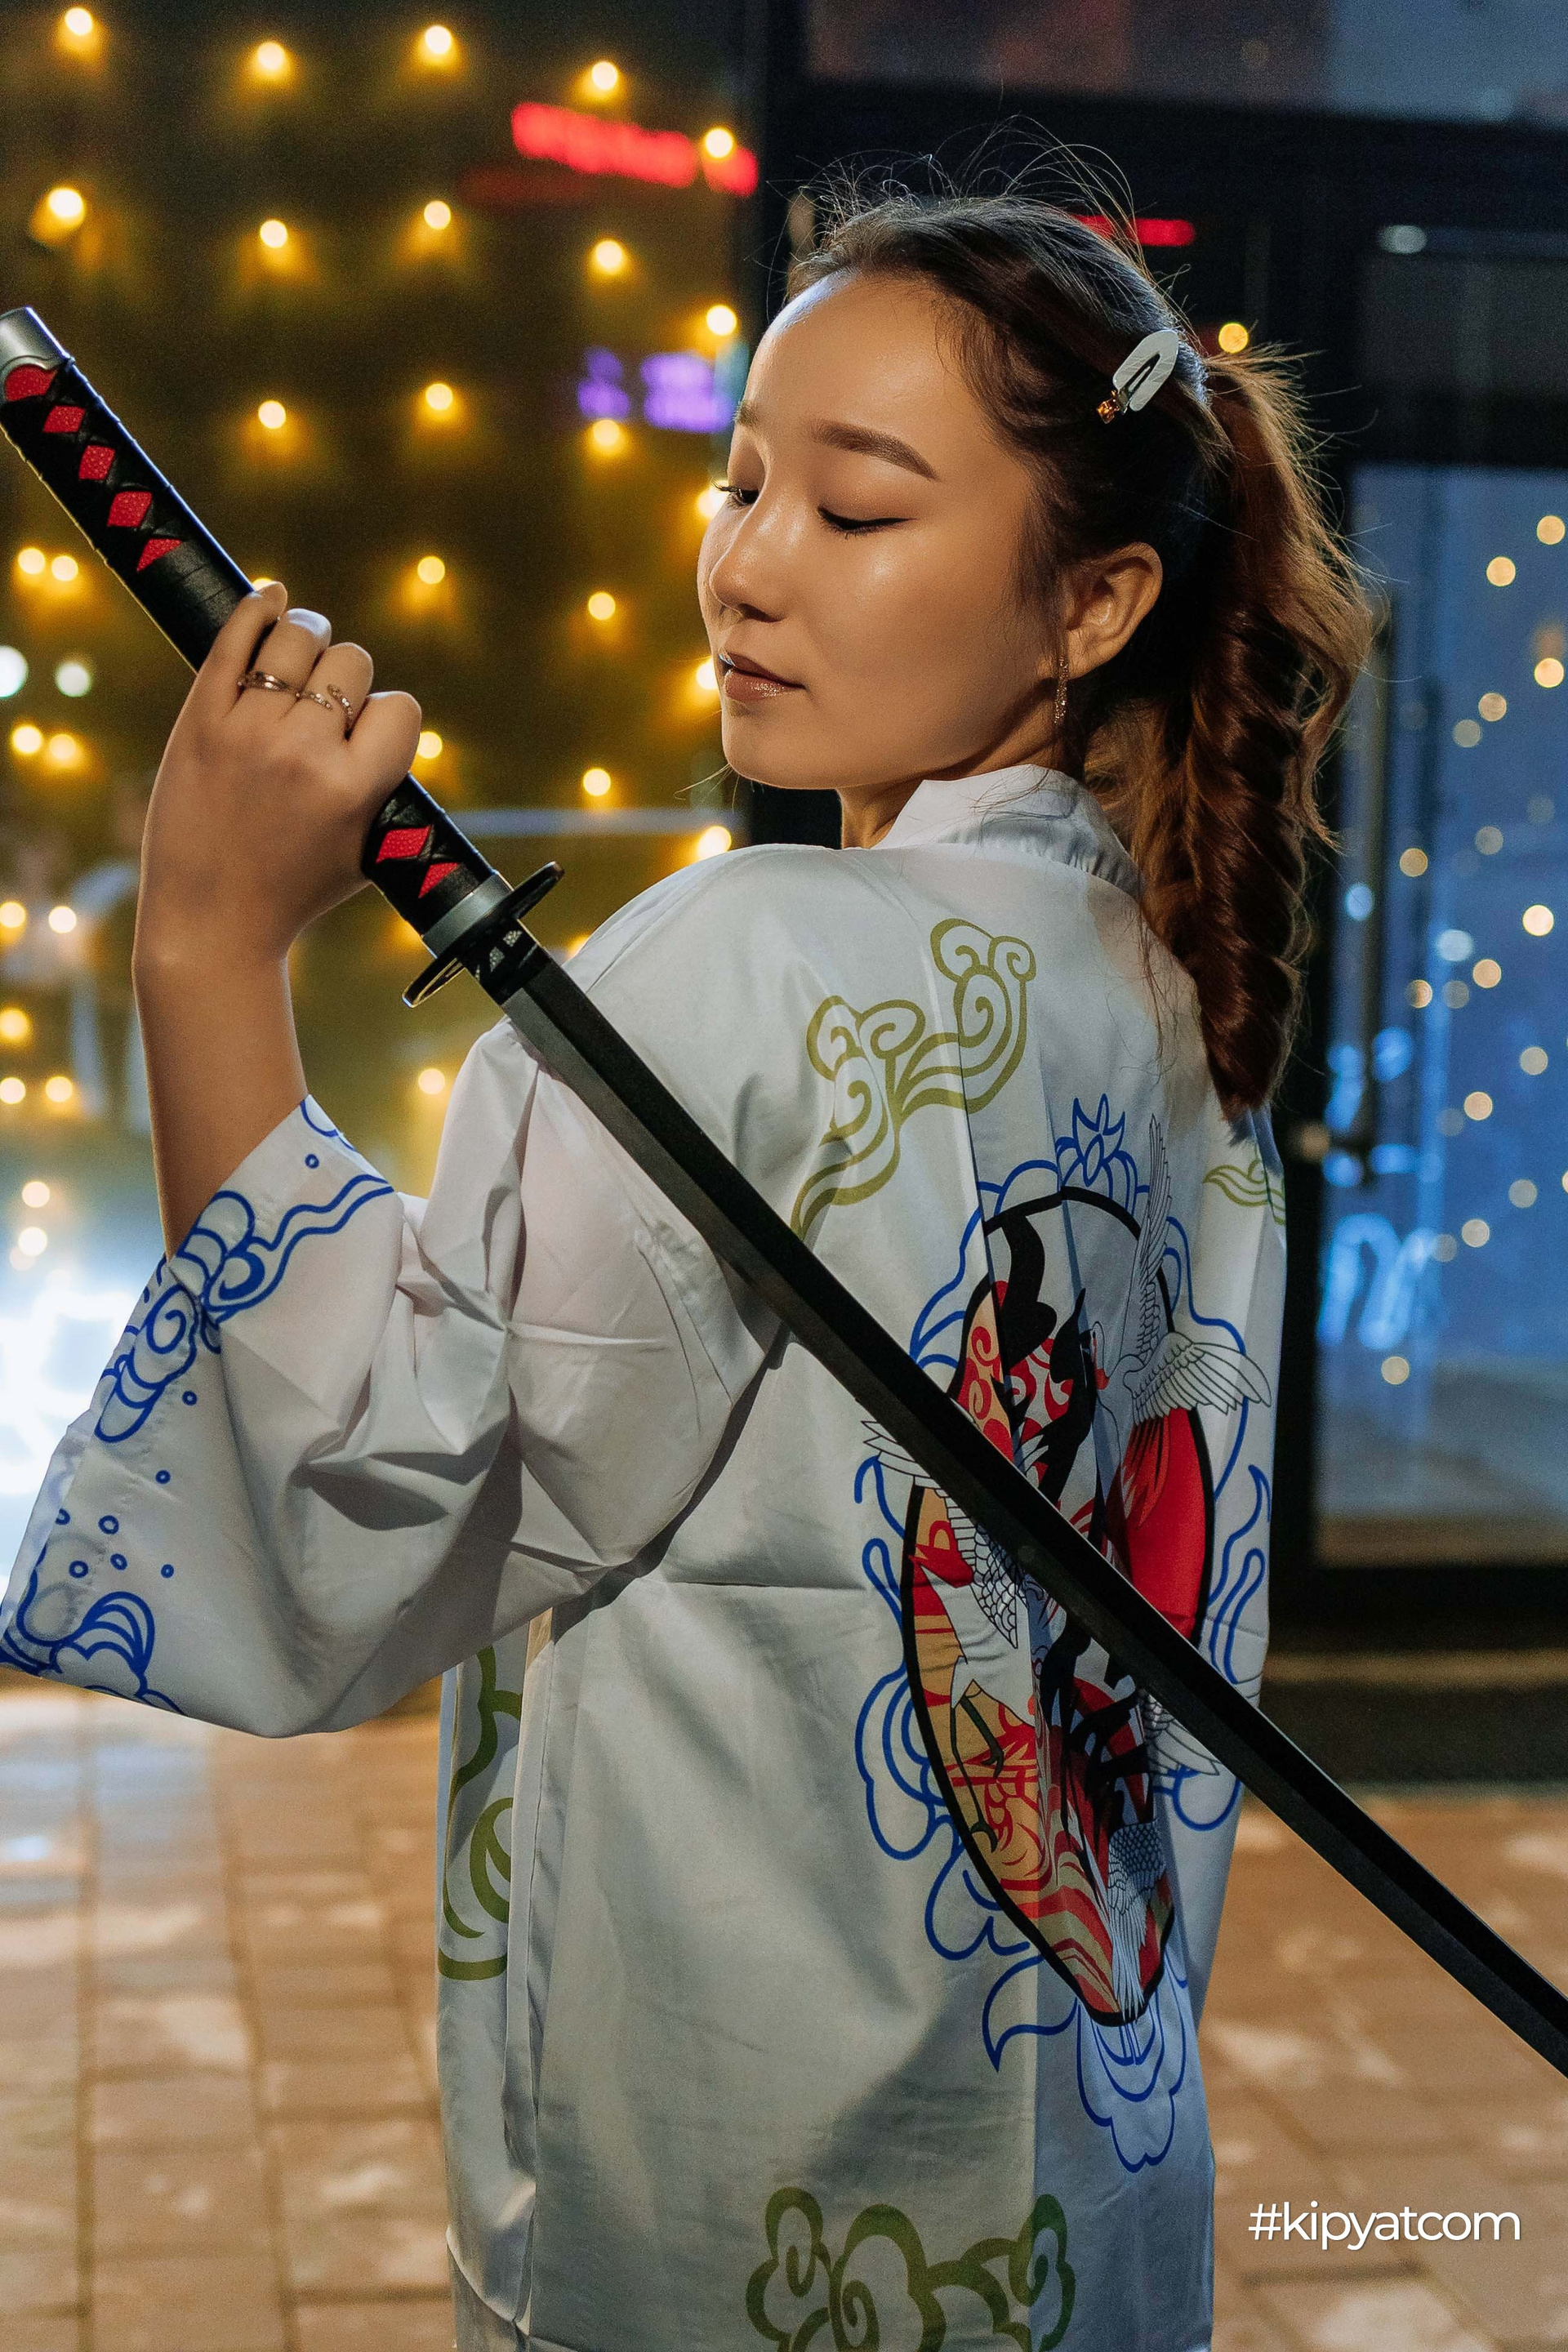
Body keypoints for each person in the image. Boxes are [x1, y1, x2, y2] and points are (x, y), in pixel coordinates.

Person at [0, 188, 1371, 2351]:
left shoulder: (751, 965)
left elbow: (368, 1510)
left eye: (857, 508)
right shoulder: (1162, 987)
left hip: (748, 2202)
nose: (748, 563)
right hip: (1076, 2195)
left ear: (1095, 600)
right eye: (741, 484)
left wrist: (207, 938)